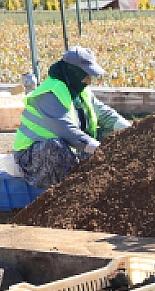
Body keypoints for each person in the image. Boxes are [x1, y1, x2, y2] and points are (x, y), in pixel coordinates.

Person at [11, 46, 131, 190]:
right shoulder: (50, 94)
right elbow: (67, 131)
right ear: (74, 73)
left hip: (70, 149)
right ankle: (73, 190)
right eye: (86, 75)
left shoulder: (80, 90)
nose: (89, 80)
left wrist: (131, 130)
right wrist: (100, 150)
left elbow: (104, 114)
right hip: (31, 158)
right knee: (55, 147)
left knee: (112, 136)